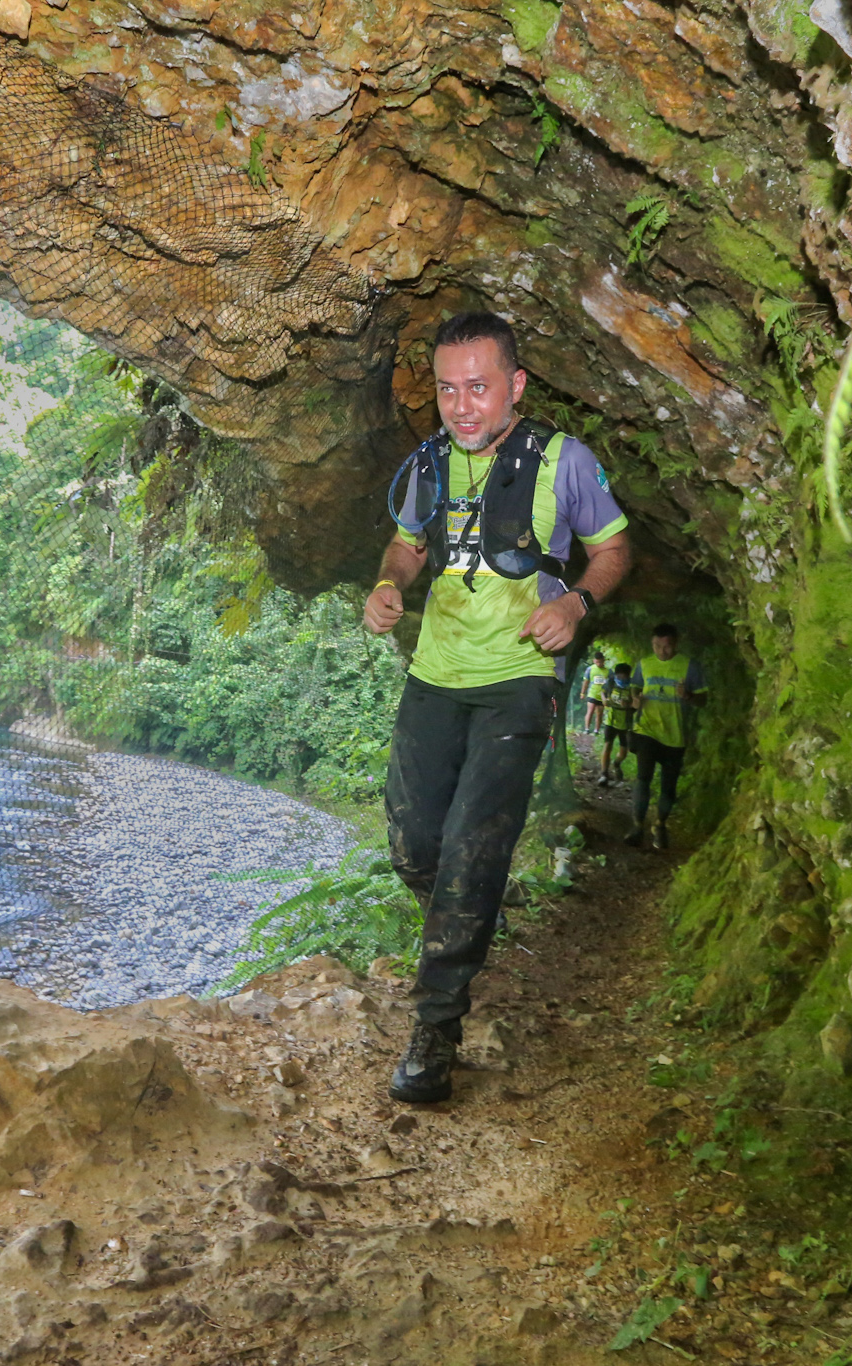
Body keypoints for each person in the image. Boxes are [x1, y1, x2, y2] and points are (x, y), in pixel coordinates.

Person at [362, 310, 631, 1104]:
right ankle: (467, 913)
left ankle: (433, 1033)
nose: (462, 406)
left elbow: (612, 549)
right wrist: (388, 585)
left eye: (478, 387)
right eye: (448, 391)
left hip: (521, 679)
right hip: (435, 676)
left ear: (514, 385)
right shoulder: (427, 465)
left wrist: (578, 603)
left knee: (472, 852)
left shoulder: (564, 462)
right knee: (415, 846)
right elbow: (407, 544)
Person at [627, 624, 704, 850]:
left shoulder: (690, 667)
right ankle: (637, 826)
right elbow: (634, 689)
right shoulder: (644, 665)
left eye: (667, 646)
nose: (662, 651)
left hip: (675, 735)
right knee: (643, 779)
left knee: (668, 787)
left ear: (676, 644)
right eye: (657, 646)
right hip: (646, 730)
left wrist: (687, 695)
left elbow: (703, 699)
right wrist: (635, 699)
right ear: (652, 644)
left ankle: (660, 825)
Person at [597, 660, 634, 787]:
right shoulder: (611, 682)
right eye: (619, 676)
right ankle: (604, 774)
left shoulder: (633, 686)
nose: (620, 678)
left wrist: (629, 704)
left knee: (624, 751)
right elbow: (602, 691)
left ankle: (617, 763)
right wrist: (604, 700)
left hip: (626, 722)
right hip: (611, 720)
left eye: (623, 676)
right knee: (607, 745)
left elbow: (638, 703)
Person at [580, 651, 608, 734]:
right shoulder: (590, 669)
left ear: (603, 660)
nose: (599, 664)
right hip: (592, 694)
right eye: (597, 662)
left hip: (602, 695)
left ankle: (596, 730)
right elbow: (586, 682)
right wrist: (582, 693)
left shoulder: (608, 671)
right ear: (594, 661)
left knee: (599, 713)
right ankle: (587, 729)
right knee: (590, 711)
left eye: (600, 662)